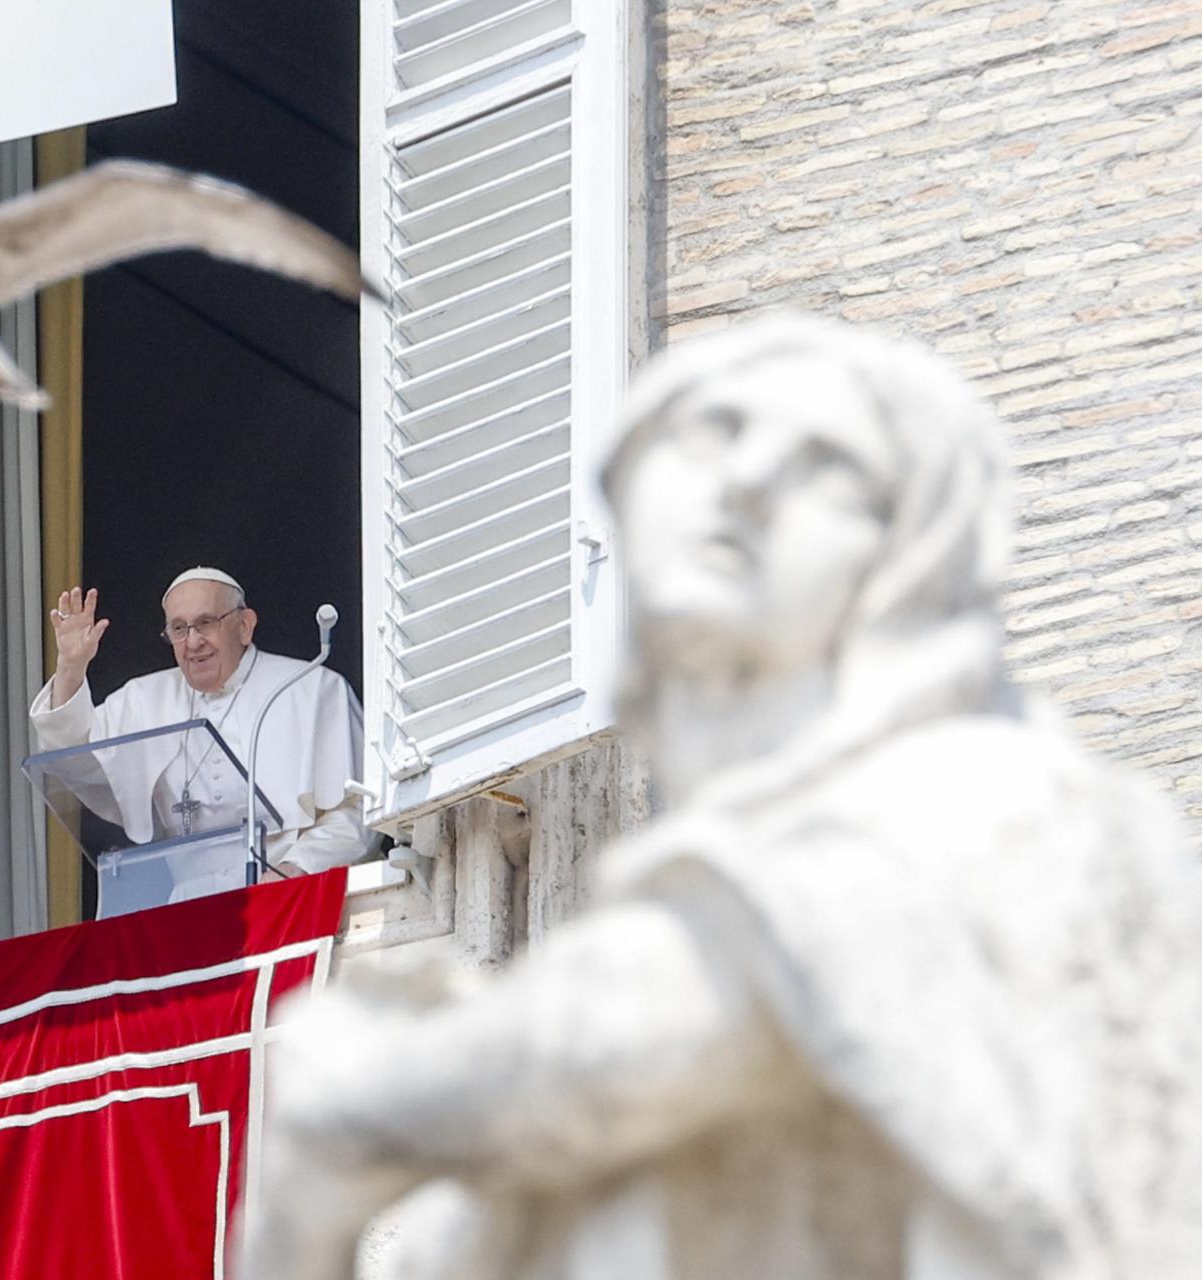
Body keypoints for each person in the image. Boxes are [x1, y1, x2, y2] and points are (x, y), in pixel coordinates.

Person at [241, 315, 1202, 1280]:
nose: (743, 484)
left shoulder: (957, 803)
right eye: (711, 437)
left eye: (825, 465)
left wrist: (366, 1109)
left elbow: (634, 1031)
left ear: (911, 554)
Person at [30, 567, 370, 901]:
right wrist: (71, 669)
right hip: (186, 911)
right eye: (178, 628)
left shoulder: (312, 689)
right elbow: (72, 762)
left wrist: (297, 868)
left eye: (206, 622)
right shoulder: (143, 700)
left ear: (245, 626)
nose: (193, 642)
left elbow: (359, 813)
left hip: (287, 899)